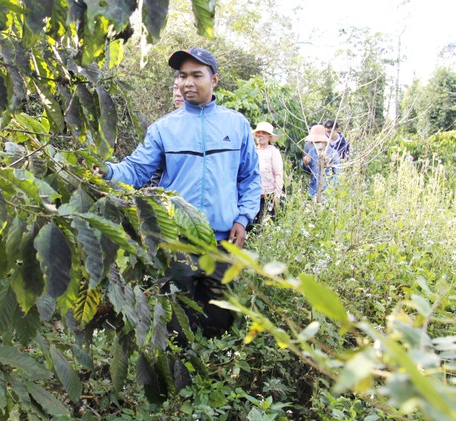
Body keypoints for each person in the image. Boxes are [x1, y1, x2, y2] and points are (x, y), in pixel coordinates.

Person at [95, 47, 261, 337]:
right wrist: (106, 171)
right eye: (182, 76)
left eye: (197, 75)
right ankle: (179, 375)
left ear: (215, 80)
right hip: (177, 243)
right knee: (176, 321)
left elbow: (249, 178)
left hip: (223, 243)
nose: (188, 83)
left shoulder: (237, 125)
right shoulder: (164, 129)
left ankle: (211, 377)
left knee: (220, 321)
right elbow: (135, 170)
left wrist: (243, 219)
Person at [251, 122, 283, 227]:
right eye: (258, 133)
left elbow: (278, 174)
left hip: (267, 195)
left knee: (264, 224)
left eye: (264, 133)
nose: (260, 135)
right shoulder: (252, 150)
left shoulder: (273, 152)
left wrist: (277, 195)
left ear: (269, 136)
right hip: (252, 194)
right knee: (251, 225)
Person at [302, 124, 341, 201]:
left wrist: (327, 193)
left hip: (327, 194)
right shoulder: (312, 152)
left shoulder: (333, 154)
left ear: (324, 142)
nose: (316, 144)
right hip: (312, 191)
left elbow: (336, 175)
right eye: (314, 142)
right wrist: (305, 163)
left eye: (318, 141)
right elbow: (307, 171)